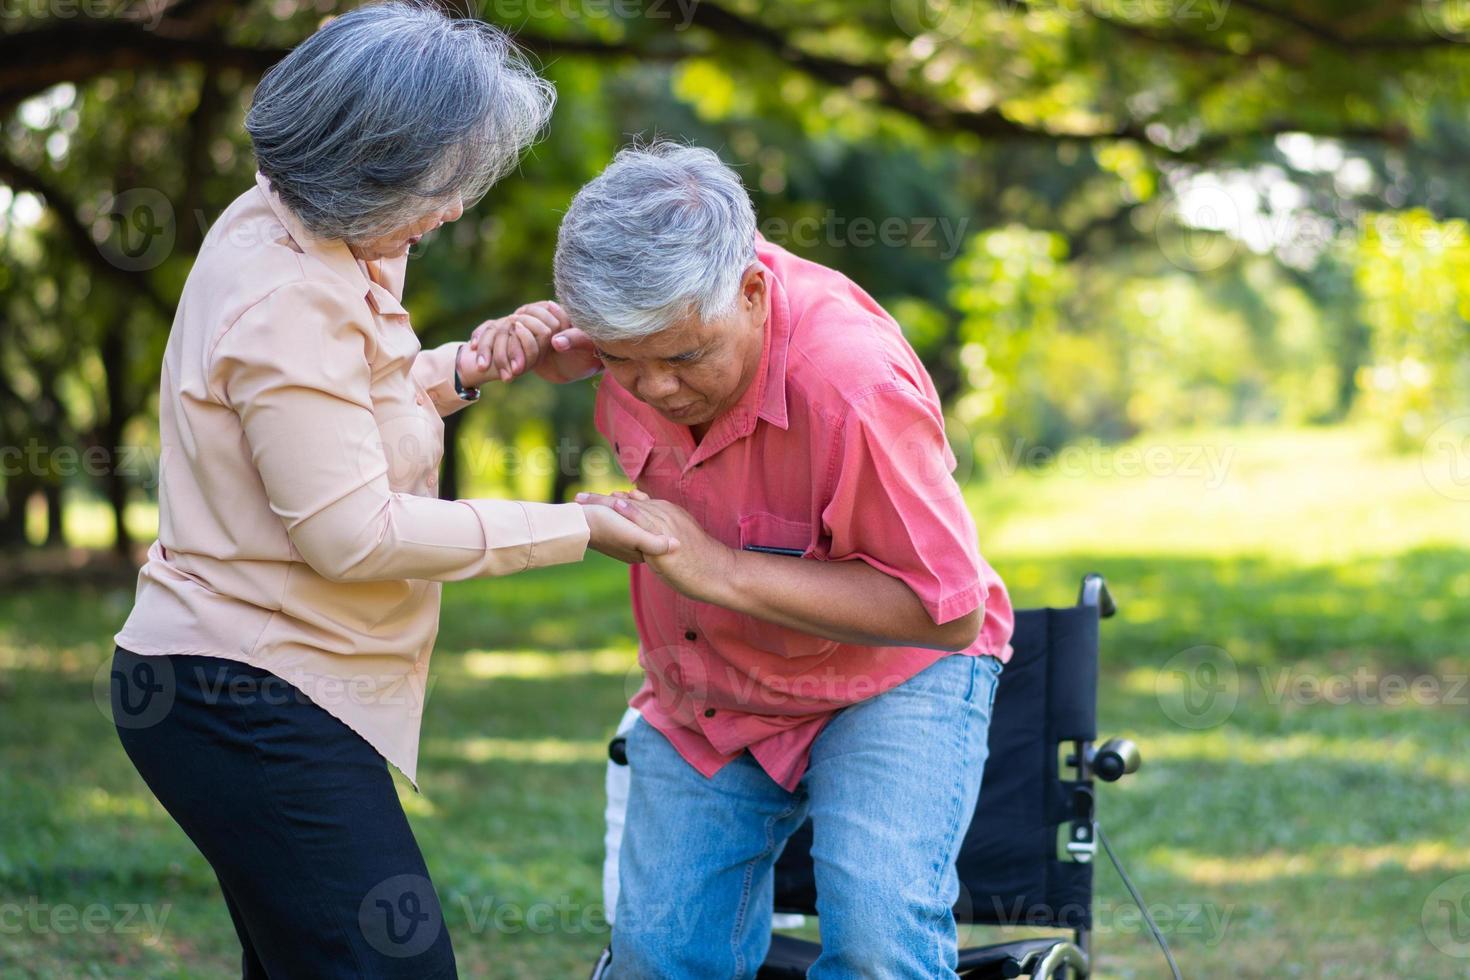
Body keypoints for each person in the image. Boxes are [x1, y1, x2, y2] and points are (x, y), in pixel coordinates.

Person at [109, 7, 670, 978]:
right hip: (245, 694)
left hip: (268, 683)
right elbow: (353, 532)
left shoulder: (296, 231)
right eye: (440, 184)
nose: (453, 210)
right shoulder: (286, 294)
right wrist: (579, 525)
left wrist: (468, 366)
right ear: (363, 167)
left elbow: (340, 409)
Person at [502, 142, 1015, 978]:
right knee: (659, 958)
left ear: (749, 292)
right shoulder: (641, 324)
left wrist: (722, 570)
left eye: (682, 358)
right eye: (623, 361)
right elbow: (620, 344)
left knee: (879, 940)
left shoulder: (852, 384)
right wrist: (532, 347)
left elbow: (947, 609)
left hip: (891, 675)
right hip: (712, 687)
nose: (655, 388)